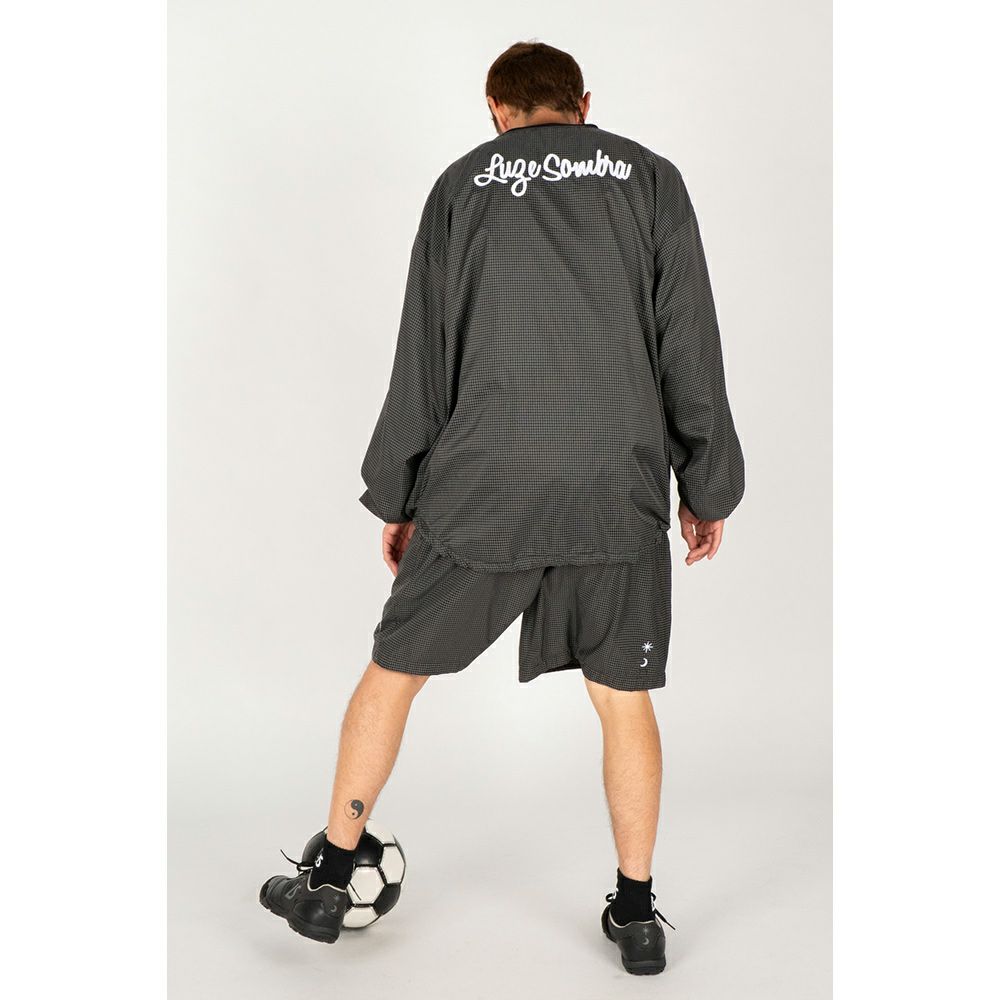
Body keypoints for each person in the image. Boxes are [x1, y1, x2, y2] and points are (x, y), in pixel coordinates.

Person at [259, 40, 744, 976]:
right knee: (624, 699)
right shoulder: (650, 180)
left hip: (484, 484)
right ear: (584, 103)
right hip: (612, 484)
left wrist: (401, 492)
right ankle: (638, 914)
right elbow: (688, 341)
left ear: (496, 110)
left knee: (393, 673)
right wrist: (707, 483)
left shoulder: (461, 186)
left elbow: (424, 354)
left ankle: (331, 875)